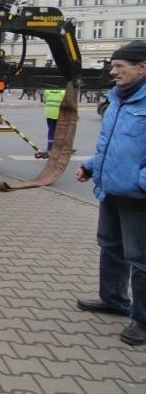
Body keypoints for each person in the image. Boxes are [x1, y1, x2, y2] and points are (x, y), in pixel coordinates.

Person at [74, 39, 146, 347]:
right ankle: (114, 299)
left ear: (142, 67)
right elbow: (114, 146)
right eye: (113, 65)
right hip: (112, 190)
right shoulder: (117, 98)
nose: (113, 71)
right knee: (111, 246)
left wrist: (139, 182)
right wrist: (91, 166)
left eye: (120, 66)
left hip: (137, 196)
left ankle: (142, 321)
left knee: (141, 259)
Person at [42, 87, 65, 156]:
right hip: (58, 114)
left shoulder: (47, 90)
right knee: (57, 130)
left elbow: (44, 100)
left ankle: (52, 146)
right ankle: (52, 146)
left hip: (48, 114)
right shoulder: (63, 92)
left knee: (51, 129)